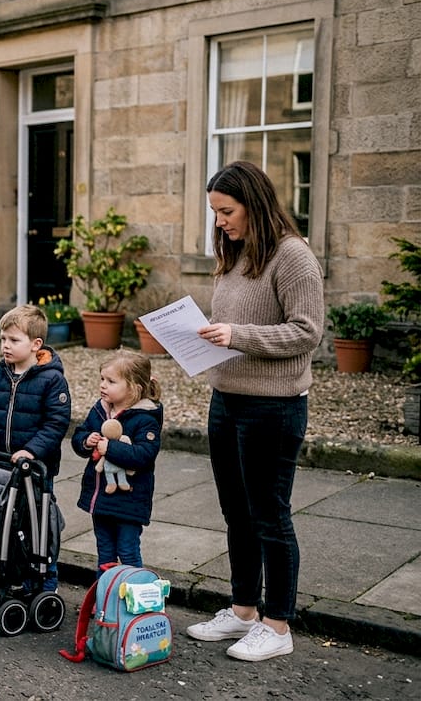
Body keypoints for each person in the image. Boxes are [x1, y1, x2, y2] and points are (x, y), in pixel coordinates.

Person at [186, 160, 324, 662]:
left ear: (254, 204)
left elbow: (308, 331)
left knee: (270, 516)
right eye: (215, 212)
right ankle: (243, 610)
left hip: (274, 407)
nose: (220, 221)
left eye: (226, 211)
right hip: (227, 399)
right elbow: (235, 321)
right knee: (236, 513)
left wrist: (237, 335)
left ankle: (277, 624)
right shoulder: (237, 253)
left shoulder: (293, 257)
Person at [0, 303, 71, 591]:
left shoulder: (52, 380)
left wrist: (31, 450)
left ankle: (45, 578)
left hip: (34, 470)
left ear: (35, 344)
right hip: (1, 465)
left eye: (14, 340)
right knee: (4, 522)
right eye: (3, 339)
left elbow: (56, 423)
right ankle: (7, 573)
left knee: (38, 523)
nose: (6, 345)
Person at [72, 350, 162, 576]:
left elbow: (144, 454)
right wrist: (86, 441)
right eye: (102, 379)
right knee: (105, 553)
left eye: (111, 381)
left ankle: (134, 603)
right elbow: (79, 434)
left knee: (128, 552)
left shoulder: (145, 419)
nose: (103, 385)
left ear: (134, 388)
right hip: (101, 499)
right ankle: (105, 601)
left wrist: (109, 448)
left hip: (129, 502)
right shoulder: (100, 409)